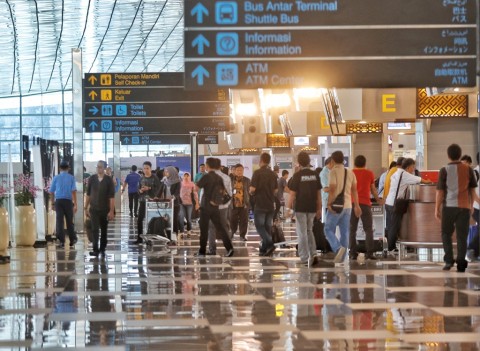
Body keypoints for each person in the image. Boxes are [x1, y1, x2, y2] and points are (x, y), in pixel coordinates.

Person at [436, 144, 477, 272]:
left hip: (448, 207)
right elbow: (472, 191)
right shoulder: (469, 169)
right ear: (460, 154)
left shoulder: (444, 170)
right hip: (464, 207)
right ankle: (460, 263)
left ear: (448, 155)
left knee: (446, 234)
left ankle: (448, 261)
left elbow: (440, 192)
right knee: (461, 236)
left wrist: (436, 208)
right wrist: (471, 206)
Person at [385, 158, 431, 253]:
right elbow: (420, 180)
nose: (413, 169)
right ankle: (391, 248)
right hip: (395, 203)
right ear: (409, 167)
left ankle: (390, 246)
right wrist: (428, 181)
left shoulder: (396, 172)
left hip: (389, 202)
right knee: (395, 226)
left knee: (390, 226)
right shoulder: (404, 174)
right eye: (413, 167)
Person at [324, 151, 361, 263]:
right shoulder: (350, 172)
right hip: (348, 206)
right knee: (345, 232)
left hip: (336, 206)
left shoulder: (333, 172)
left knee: (327, 229)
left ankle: (338, 248)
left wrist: (329, 204)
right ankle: (343, 257)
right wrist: (357, 206)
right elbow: (354, 190)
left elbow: (332, 189)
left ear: (333, 160)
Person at [286, 152, 322, 267]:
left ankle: (304, 257)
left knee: (302, 232)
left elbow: (292, 194)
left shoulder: (297, 175)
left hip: (301, 207)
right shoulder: (315, 175)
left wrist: (288, 208)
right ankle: (313, 254)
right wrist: (319, 208)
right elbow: (318, 194)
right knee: (309, 231)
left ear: (299, 162)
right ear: (309, 161)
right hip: (312, 208)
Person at [195, 157, 234, 257]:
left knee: (204, 230)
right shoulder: (219, 178)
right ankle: (229, 248)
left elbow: (196, 188)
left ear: (208, 166)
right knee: (220, 228)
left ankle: (202, 252)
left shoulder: (206, 176)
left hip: (205, 207)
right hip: (215, 207)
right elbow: (224, 193)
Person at [349, 155, 384, 260]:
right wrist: (378, 200)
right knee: (368, 229)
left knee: (352, 229)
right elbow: (373, 189)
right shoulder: (369, 173)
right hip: (365, 204)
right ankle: (369, 253)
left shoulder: (351, 173)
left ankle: (352, 253)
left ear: (355, 163)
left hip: (352, 204)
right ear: (365, 163)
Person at [84, 160, 115, 257]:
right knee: (94, 229)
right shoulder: (92, 179)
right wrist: (85, 207)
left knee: (104, 229)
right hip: (94, 209)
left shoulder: (108, 180)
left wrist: (111, 211)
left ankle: (102, 248)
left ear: (105, 168)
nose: (98, 168)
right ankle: (95, 249)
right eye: (97, 166)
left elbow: (112, 197)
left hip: (105, 209)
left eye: (100, 167)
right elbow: (88, 194)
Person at [250, 153, 278, 257]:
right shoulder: (272, 174)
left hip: (260, 203)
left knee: (259, 226)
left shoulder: (257, 173)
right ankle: (264, 249)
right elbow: (276, 190)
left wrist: (251, 192)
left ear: (261, 160)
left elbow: (253, 189)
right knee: (267, 227)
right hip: (270, 203)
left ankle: (270, 243)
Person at [49, 160, 78, 248]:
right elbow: (73, 191)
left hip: (59, 201)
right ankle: (72, 240)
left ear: (60, 168)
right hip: (68, 201)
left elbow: (51, 192)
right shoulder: (71, 178)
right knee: (69, 221)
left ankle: (61, 241)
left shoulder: (56, 178)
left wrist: (52, 203)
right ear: (68, 168)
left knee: (59, 221)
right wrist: (75, 203)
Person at [207, 159, 233, 255]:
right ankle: (229, 248)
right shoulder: (226, 177)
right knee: (224, 228)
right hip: (223, 208)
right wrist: (225, 205)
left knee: (211, 228)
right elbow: (230, 194)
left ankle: (212, 249)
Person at [136, 161, 161, 244]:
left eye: (147, 168)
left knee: (150, 220)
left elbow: (158, 190)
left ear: (150, 168)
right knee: (139, 220)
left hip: (152, 202)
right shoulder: (141, 178)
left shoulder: (155, 178)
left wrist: (149, 188)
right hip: (143, 201)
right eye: (144, 168)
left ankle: (150, 239)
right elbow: (138, 190)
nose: (146, 170)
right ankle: (139, 238)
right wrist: (140, 190)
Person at [230, 163, 251, 242]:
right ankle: (232, 233)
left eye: (241, 170)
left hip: (244, 204)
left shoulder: (247, 180)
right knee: (232, 220)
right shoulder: (230, 180)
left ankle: (242, 235)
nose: (239, 172)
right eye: (238, 170)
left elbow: (250, 192)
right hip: (233, 204)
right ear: (234, 171)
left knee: (244, 221)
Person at [164, 166, 182, 241]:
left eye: (167, 172)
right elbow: (161, 190)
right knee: (167, 220)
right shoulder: (164, 180)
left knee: (174, 220)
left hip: (175, 204)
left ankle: (174, 238)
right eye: (165, 171)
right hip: (166, 204)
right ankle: (168, 237)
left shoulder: (178, 181)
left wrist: (173, 197)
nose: (166, 173)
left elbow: (177, 193)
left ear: (172, 172)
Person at [179, 172, 199, 237]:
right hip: (181, 203)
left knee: (188, 218)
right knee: (181, 218)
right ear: (183, 176)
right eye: (185, 175)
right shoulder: (180, 184)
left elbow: (195, 193)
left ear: (189, 177)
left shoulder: (192, 184)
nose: (186, 177)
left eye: (187, 175)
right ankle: (182, 232)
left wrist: (197, 203)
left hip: (190, 203)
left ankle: (188, 232)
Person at [320, 157, 333, 222]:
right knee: (328, 221)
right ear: (330, 163)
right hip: (327, 200)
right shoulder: (324, 173)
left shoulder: (330, 172)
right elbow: (325, 189)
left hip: (331, 200)